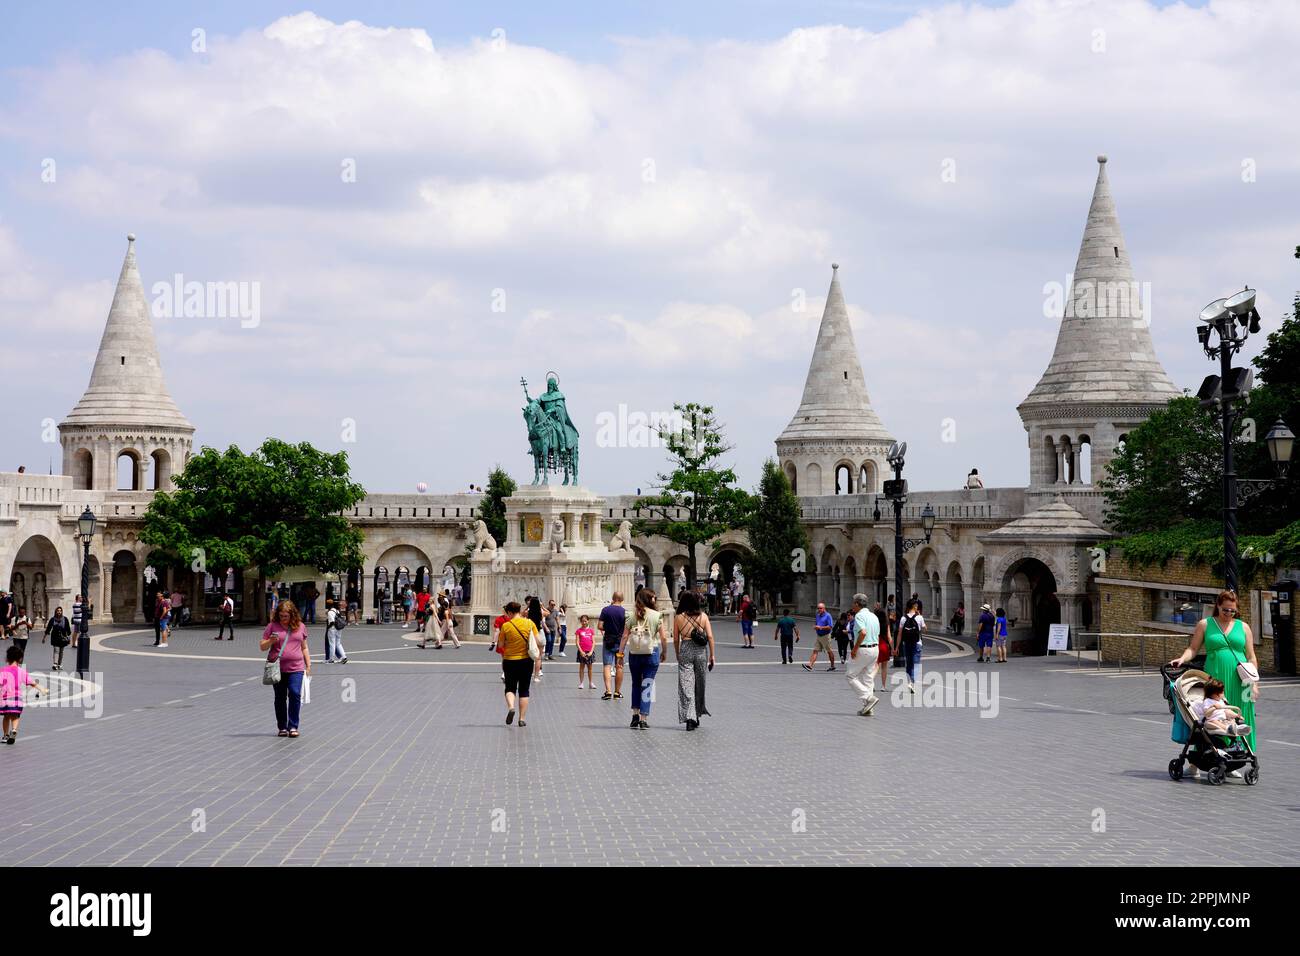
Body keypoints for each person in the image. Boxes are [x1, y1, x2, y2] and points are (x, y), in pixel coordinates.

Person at [1169, 589, 1259, 764]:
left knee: (1239, 717)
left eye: (1232, 610)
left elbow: (1251, 657)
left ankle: (1236, 760)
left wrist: (1254, 683)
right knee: (1210, 716)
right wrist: (1182, 659)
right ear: (1217, 606)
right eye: (1225, 609)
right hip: (1215, 678)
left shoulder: (1244, 627)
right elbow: (1193, 649)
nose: (1228, 613)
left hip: (1242, 680)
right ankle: (1198, 760)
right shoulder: (1205, 624)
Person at [259, 599, 311, 738]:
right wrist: (270, 641)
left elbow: (304, 647)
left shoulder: (300, 626)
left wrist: (308, 664)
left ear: (292, 615)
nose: (283, 619)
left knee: (295, 693)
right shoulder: (272, 626)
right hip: (277, 669)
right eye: (281, 616)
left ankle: (293, 726)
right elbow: (262, 647)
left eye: (286, 616)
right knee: (280, 698)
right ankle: (282, 726)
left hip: (296, 667)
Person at [620, 588, 667, 729]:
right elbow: (664, 637)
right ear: (649, 599)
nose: (654, 600)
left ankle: (634, 715)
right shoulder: (657, 615)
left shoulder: (630, 615)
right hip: (651, 653)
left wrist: (620, 655)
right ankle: (643, 718)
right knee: (647, 684)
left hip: (635, 653)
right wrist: (664, 652)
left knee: (635, 684)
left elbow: (624, 636)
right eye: (653, 597)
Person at [674, 590, 715, 730]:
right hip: (700, 651)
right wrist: (712, 656)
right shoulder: (703, 616)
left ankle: (690, 717)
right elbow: (710, 637)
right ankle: (696, 714)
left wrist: (677, 654)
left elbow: (675, 639)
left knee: (686, 685)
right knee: (700, 683)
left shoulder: (678, 617)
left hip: (685, 648)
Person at [498, 601, 539, 727]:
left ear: (510, 612)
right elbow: (537, 641)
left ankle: (511, 707)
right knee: (524, 690)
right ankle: (521, 719)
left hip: (510, 660)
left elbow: (500, 645)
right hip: (526, 661)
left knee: (510, 688)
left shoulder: (506, 626)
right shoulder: (529, 623)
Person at [1, 645, 47, 744]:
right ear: (20, 659)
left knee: (6, 717)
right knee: (15, 716)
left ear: (7, 658)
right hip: (17, 699)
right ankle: (14, 730)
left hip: (5, 699)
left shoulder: (3, 671)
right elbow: (32, 683)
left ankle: (5, 735)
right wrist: (42, 689)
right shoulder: (21, 671)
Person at [846, 594, 881, 716]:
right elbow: (877, 635)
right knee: (868, 678)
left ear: (857, 604)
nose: (852, 606)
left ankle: (868, 698)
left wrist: (854, 649)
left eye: (853, 603)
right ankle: (868, 708)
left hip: (863, 649)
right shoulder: (873, 616)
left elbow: (863, 632)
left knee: (850, 675)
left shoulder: (859, 616)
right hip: (875, 648)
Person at [598, 592, 626, 700]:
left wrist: (608, 628)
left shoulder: (606, 610)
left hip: (608, 640)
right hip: (620, 643)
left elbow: (600, 626)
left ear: (613, 598)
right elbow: (626, 629)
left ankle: (608, 691)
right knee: (619, 666)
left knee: (607, 666)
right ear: (622, 599)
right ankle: (617, 692)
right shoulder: (625, 612)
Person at [898, 598, 926, 692]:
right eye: (916, 605)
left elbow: (900, 634)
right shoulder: (919, 617)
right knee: (916, 663)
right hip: (917, 643)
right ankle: (912, 683)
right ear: (914, 606)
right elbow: (925, 629)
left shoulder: (903, 618)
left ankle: (909, 681)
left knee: (909, 663)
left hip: (906, 643)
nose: (917, 606)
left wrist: (897, 647)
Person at [804, 602, 837, 671]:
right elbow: (817, 623)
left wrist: (820, 628)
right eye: (818, 608)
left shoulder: (828, 615)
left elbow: (830, 626)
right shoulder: (817, 615)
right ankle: (810, 665)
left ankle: (832, 665)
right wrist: (815, 627)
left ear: (824, 608)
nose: (819, 609)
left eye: (821, 608)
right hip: (819, 636)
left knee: (829, 651)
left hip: (826, 636)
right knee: (815, 650)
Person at [43, 607, 71, 671]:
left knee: (61, 651)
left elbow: (68, 629)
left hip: (63, 637)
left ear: (62, 612)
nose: (59, 612)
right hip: (55, 637)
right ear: (56, 612)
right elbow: (48, 629)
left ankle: (59, 664)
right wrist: (44, 637)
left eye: (60, 611)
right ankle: (55, 664)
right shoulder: (52, 619)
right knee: (56, 650)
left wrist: (68, 637)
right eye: (58, 611)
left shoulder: (65, 619)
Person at [574, 614, 597, 689]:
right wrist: (581, 651)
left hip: (589, 651)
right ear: (580, 622)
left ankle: (591, 683)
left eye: (585, 621)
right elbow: (577, 642)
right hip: (582, 651)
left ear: (588, 621)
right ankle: (581, 683)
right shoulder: (578, 631)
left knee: (590, 668)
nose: (584, 623)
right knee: (581, 667)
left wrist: (591, 652)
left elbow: (593, 642)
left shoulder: (591, 631)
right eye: (582, 621)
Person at [527, 596, 545, 681]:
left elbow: (521, 613)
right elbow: (547, 613)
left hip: (531, 634)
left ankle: (527, 674)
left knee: (529, 657)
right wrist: (541, 606)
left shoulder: (528, 613)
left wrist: (527, 607)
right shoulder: (540, 612)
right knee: (538, 657)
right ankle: (536, 676)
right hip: (539, 633)